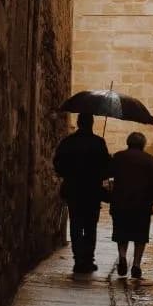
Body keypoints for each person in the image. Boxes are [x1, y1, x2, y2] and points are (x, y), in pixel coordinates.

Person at [53, 112, 111, 276]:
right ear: (91, 123)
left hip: (74, 189)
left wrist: (69, 174)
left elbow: (58, 164)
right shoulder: (98, 143)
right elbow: (107, 168)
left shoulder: (68, 142)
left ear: (78, 123)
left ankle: (78, 259)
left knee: (76, 224)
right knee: (91, 226)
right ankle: (89, 259)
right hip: (92, 190)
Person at [110, 131, 153, 279]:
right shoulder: (150, 160)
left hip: (120, 203)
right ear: (143, 144)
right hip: (142, 204)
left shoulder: (119, 157)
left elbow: (107, 172)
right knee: (140, 236)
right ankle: (136, 264)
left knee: (122, 233)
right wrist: (151, 199)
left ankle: (122, 256)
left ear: (128, 142)